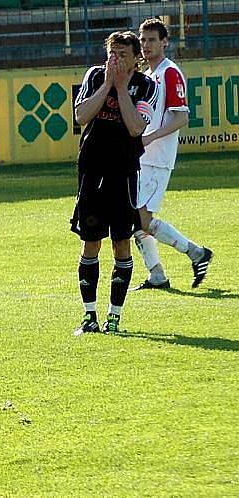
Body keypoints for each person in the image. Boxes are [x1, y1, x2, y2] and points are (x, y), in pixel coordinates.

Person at [71, 31, 158, 336]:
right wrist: (109, 83)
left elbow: (136, 128)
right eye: (112, 53)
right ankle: (89, 316)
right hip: (93, 171)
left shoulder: (147, 86)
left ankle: (115, 318)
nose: (116, 59)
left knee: (122, 242)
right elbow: (81, 115)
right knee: (91, 242)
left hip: (124, 172)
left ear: (137, 59)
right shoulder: (95, 76)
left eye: (123, 55)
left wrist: (121, 89)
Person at [132, 18, 213, 290]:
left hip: (156, 159)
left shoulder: (169, 72)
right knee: (132, 217)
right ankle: (157, 275)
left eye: (152, 39)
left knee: (139, 218)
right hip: (142, 157)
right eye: (143, 40)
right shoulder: (148, 75)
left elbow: (181, 118)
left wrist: (149, 138)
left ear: (165, 42)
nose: (146, 45)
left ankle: (196, 253)